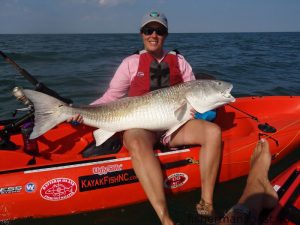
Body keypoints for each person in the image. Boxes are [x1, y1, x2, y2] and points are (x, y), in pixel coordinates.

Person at [69, 11, 222, 225]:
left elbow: (195, 90)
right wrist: (80, 111)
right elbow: (111, 96)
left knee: (213, 132)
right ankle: (165, 218)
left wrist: (202, 110)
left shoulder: (180, 61)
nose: (153, 35)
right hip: (142, 128)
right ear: (141, 34)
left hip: (175, 127)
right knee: (135, 140)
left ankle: (206, 204)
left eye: (159, 31)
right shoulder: (130, 63)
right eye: (148, 30)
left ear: (165, 35)